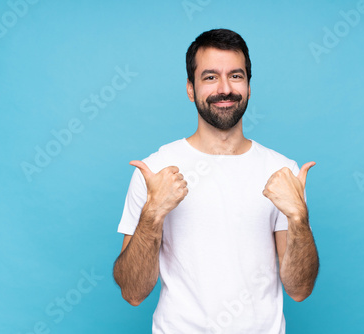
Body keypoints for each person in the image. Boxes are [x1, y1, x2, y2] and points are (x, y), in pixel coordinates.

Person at [113, 28, 319, 333]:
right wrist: (152, 214)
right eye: (210, 77)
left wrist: (299, 218)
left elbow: (300, 289)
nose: (225, 88)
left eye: (236, 76)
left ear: (249, 87)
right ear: (190, 89)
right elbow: (132, 293)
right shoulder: (155, 171)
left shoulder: (280, 171)